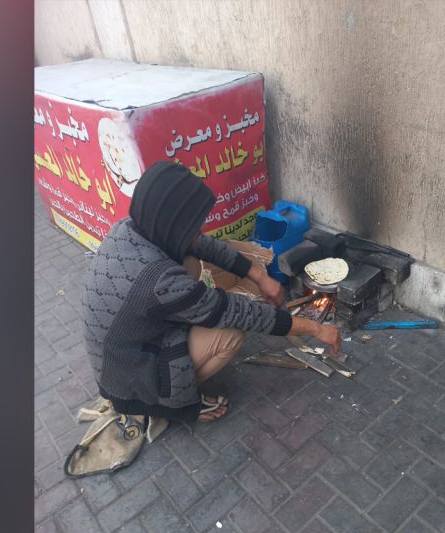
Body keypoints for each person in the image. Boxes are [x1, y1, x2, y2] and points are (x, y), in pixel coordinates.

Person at [79, 161, 340, 423]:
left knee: (190, 259)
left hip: (127, 348)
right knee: (230, 334)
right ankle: (178, 405)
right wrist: (316, 329)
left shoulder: (133, 228)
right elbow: (240, 314)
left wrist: (260, 276)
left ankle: (189, 330)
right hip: (131, 378)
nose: (200, 232)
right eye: (194, 226)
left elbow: (202, 244)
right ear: (173, 224)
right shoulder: (160, 280)